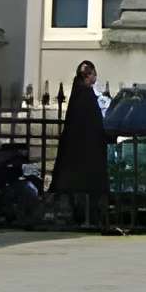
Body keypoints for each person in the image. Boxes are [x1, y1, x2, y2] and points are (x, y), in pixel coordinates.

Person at [51, 59, 108, 228]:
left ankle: (76, 214)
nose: (95, 78)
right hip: (88, 148)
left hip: (73, 148)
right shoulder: (87, 95)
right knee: (88, 185)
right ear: (89, 75)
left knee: (75, 186)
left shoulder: (77, 93)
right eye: (94, 74)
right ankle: (88, 217)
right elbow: (95, 121)